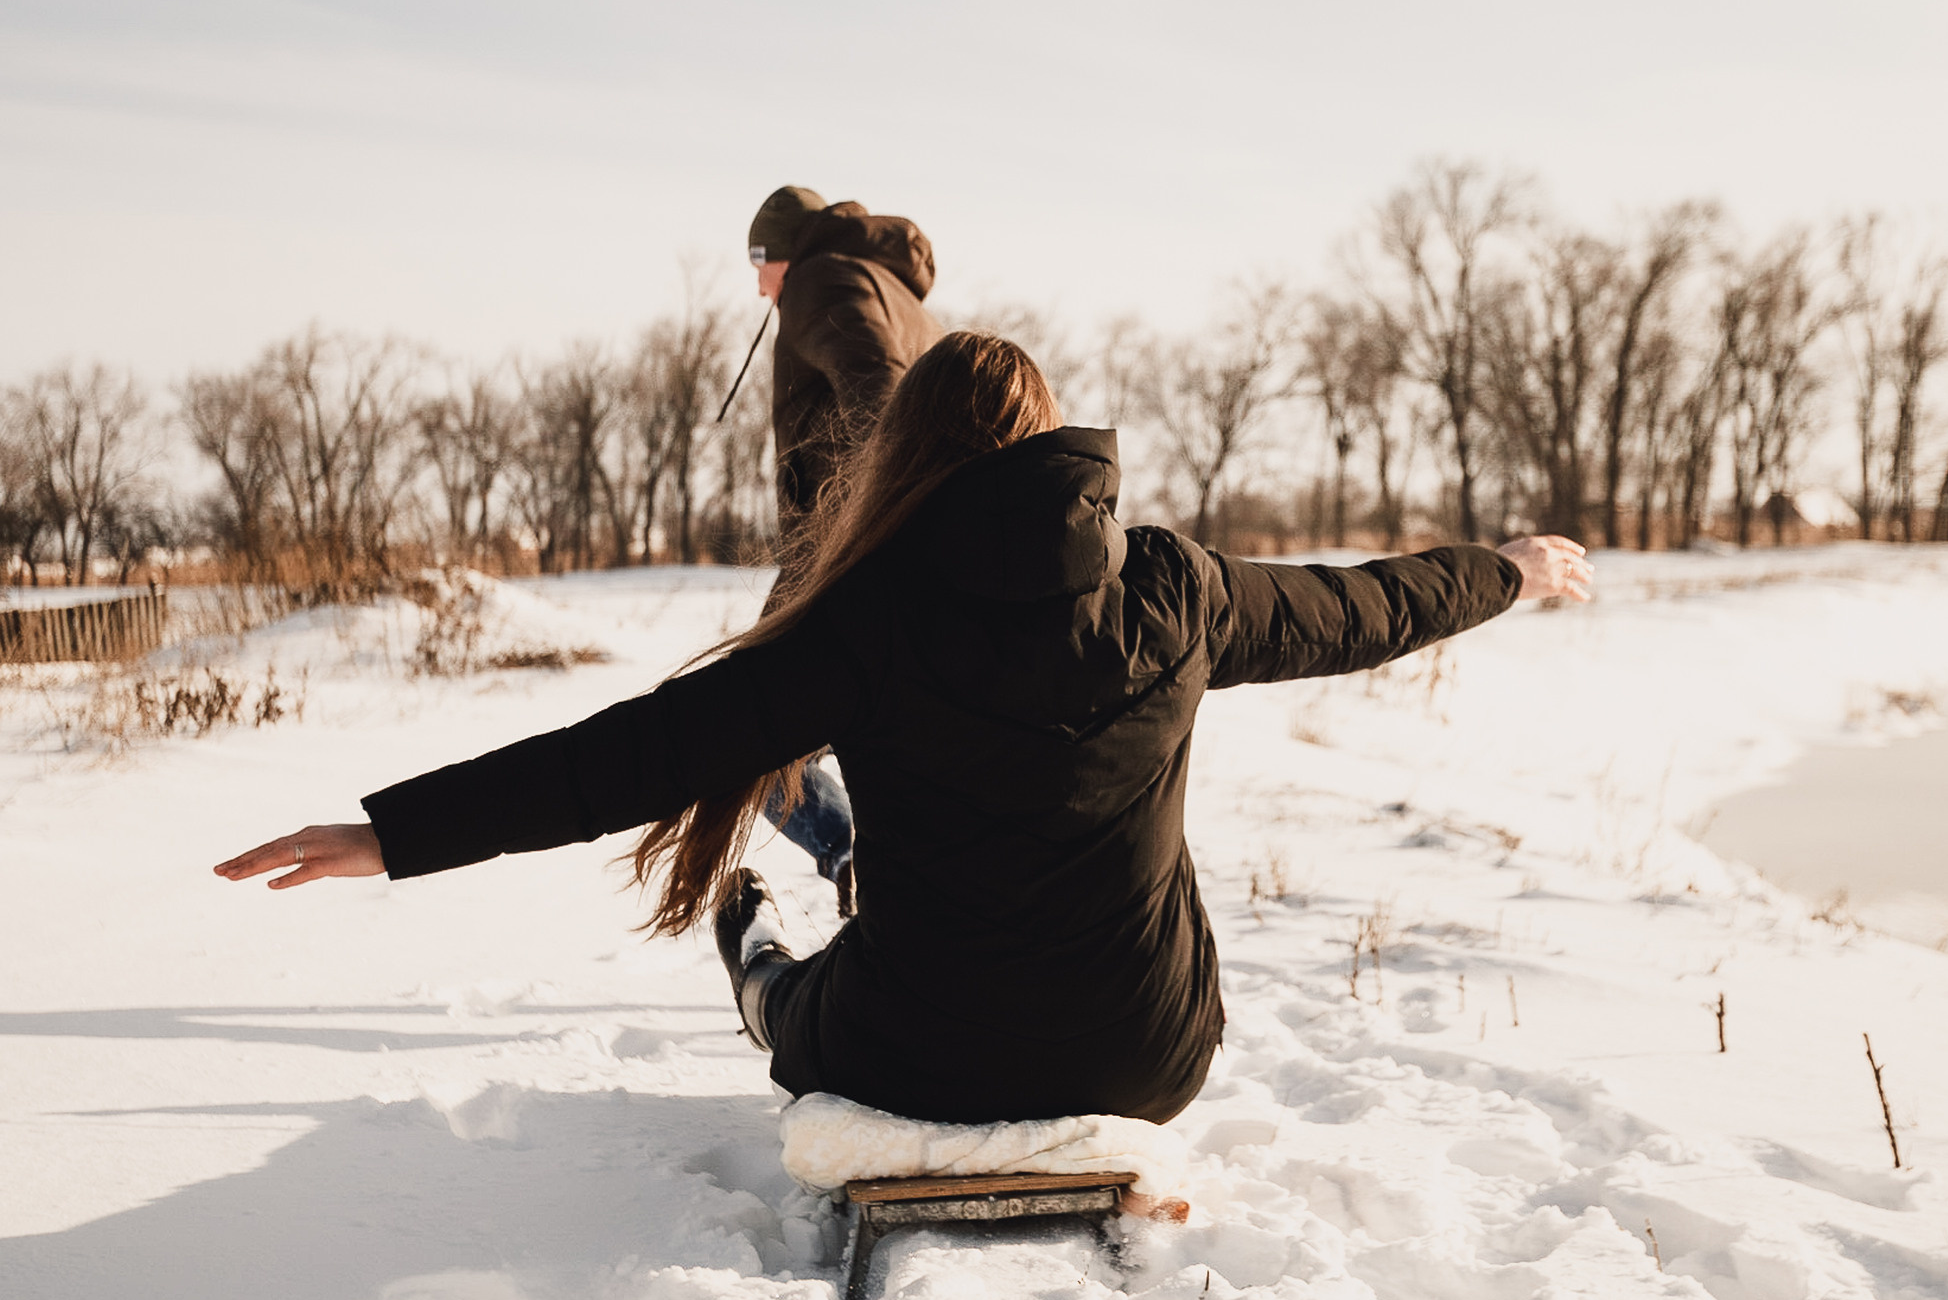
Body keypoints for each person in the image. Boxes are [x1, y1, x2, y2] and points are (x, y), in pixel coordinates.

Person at [217, 332, 1591, 1126]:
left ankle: (755, 940)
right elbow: (1366, 603)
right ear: (1057, 451)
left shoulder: (865, 620)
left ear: (907, 453)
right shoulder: (1178, 589)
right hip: (1147, 1056)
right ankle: (824, 903)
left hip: (915, 1058)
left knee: (782, 994)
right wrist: (1509, 569)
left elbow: (630, 755)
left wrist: (389, 834)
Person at [744, 186, 945, 911]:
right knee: (885, 733)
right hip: (900, 560)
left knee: (750, 739)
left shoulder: (820, 281)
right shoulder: (890, 290)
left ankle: (858, 856)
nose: (759, 286)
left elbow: (881, 397)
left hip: (844, 564)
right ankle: (904, 871)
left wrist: (874, 528)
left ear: (784, 254)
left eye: (760, 264)